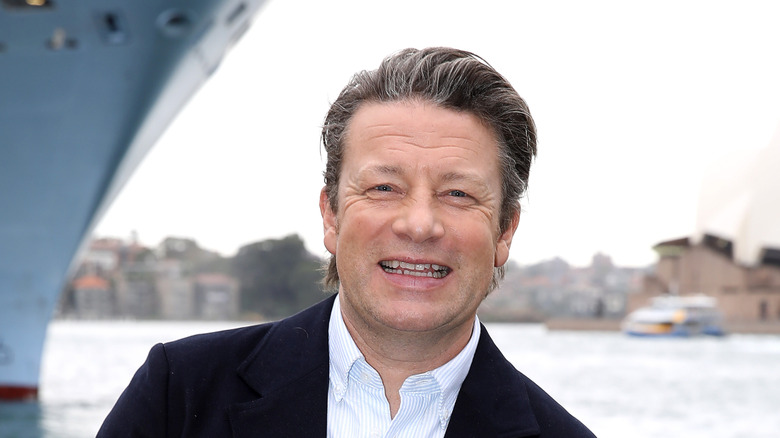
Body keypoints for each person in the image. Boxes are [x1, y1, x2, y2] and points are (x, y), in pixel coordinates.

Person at [98, 47, 596, 437]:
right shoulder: (179, 395)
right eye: (383, 188)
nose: (419, 224)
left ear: (505, 230)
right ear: (331, 215)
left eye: (458, 193)